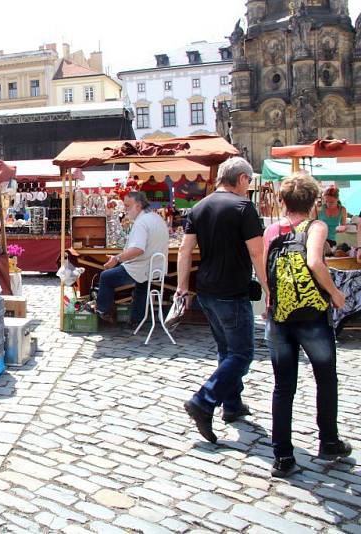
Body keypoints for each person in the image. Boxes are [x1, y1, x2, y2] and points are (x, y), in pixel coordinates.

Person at [263, 173, 352, 477]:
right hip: (312, 316)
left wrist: (270, 303)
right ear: (314, 203)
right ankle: (328, 440)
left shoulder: (272, 230)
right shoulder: (316, 227)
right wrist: (336, 293)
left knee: (282, 387)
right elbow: (315, 262)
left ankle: (283, 457)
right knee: (325, 378)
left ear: (282, 201)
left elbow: (265, 272)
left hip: (280, 316)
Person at [177, 156, 268, 443]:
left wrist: (181, 287)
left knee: (226, 351)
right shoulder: (243, 207)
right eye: (249, 181)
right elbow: (257, 253)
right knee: (241, 354)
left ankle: (232, 404)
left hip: (207, 289)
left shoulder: (198, 207)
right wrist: (268, 288)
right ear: (241, 178)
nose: (249, 187)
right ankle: (204, 400)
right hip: (232, 290)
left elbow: (184, 250)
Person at [94, 191, 169, 326]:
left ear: (138, 206)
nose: (125, 210)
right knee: (142, 286)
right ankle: (137, 320)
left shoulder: (141, 222)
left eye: (128, 206)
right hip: (155, 267)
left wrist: (117, 258)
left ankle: (102, 311)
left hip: (142, 267)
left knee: (106, 277)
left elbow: (138, 249)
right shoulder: (156, 218)